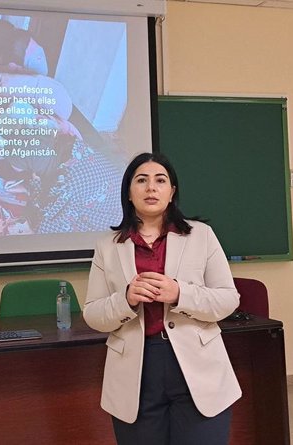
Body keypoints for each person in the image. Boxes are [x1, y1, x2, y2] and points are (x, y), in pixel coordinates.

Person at [82, 152, 241, 444]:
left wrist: (180, 293)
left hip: (197, 365)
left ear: (172, 192)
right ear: (129, 193)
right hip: (137, 369)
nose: (151, 188)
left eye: (160, 180)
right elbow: (93, 314)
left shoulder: (201, 235)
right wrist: (126, 300)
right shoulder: (107, 246)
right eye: (141, 180)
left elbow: (227, 299)